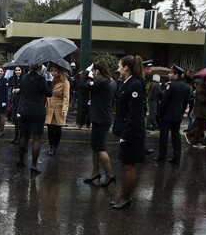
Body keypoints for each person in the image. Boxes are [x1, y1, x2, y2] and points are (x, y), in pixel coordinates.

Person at [111, 55, 146, 209]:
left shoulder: (135, 85)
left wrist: (126, 135)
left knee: (129, 166)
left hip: (132, 134)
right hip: (127, 131)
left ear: (126, 68)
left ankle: (125, 198)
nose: (118, 68)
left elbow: (135, 114)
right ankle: (122, 195)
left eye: (120, 65)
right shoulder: (127, 83)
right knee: (124, 165)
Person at [80, 60, 117, 186]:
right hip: (101, 117)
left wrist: (85, 72)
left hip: (101, 119)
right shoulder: (110, 81)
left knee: (100, 148)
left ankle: (110, 175)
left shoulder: (101, 81)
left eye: (94, 70)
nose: (93, 73)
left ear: (98, 70)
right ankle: (95, 172)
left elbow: (82, 85)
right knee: (95, 146)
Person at [17, 62, 52, 175]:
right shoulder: (41, 78)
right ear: (40, 67)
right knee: (36, 139)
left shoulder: (24, 77)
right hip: (37, 110)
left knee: (24, 136)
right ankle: (34, 165)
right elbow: (49, 93)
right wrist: (49, 81)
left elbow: (22, 90)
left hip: (25, 109)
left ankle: (21, 160)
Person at [154, 65, 190, 165]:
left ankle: (162, 157)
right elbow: (185, 103)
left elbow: (165, 101)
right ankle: (176, 158)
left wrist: (160, 113)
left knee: (163, 137)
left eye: (171, 73)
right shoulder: (187, 87)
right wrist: (181, 113)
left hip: (167, 116)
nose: (169, 74)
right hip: (178, 116)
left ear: (176, 74)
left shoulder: (171, 85)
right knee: (176, 137)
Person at [44, 62, 70, 156]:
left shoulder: (65, 82)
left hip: (59, 107)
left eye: (55, 71)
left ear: (59, 72)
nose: (53, 73)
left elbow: (66, 97)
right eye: (51, 71)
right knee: (50, 128)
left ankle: (55, 145)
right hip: (50, 106)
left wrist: (65, 109)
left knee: (58, 129)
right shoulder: (50, 81)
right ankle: (51, 146)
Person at [185, 75, 206, 147]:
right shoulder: (201, 89)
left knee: (201, 126)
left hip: (205, 111)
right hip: (201, 111)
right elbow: (201, 100)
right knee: (200, 127)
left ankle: (189, 135)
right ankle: (195, 141)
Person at [8, 66, 23, 144]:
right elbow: (10, 84)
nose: (17, 71)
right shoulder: (13, 78)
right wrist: (13, 89)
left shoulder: (24, 79)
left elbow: (25, 88)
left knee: (20, 120)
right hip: (14, 101)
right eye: (16, 70)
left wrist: (20, 89)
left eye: (19, 70)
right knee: (15, 121)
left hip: (21, 101)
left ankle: (21, 138)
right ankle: (15, 137)